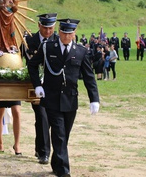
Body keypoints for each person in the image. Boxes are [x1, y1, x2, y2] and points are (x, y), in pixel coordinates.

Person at [28, 18, 100, 177]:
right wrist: (37, 85)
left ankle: (56, 162)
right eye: (64, 33)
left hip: (70, 99)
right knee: (59, 133)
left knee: (64, 135)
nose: (67, 36)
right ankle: (63, 170)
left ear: (74, 34)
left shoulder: (81, 51)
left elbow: (89, 77)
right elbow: (32, 64)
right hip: (52, 98)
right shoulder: (48, 47)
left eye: (70, 33)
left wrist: (94, 99)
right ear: (59, 32)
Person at [25, 13, 58, 165]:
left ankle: (39, 148)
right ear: (39, 26)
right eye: (45, 28)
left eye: (50, 28)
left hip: (53, 87)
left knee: (46, 120)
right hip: (35, 86)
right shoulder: (29, 40)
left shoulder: (58, 41)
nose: (48, 32)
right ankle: (45, 153)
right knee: (42, 116)